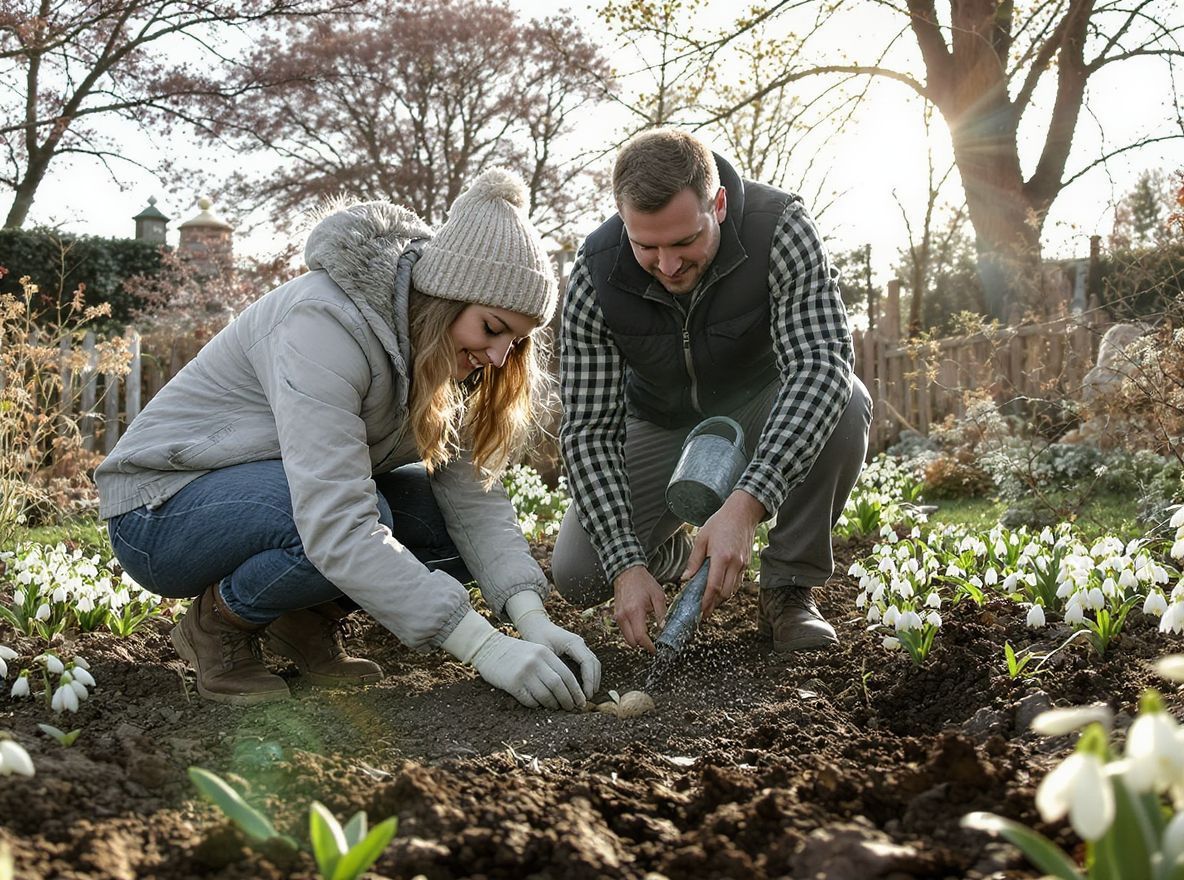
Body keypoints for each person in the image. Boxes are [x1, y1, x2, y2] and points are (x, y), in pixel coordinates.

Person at [96, 169, 601, 709]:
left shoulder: (455, 361)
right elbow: (337, 519)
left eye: (516, 342)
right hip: (163, 510)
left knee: (444, 530)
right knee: (365, 518)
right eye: (492, 328)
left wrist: (532, 620)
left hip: (273, 494)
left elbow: (474, 498)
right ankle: (217, 623)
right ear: (445, 299)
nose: (499, 356)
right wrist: (484, 647)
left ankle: (300, 618)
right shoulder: (325, 322)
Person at [553, 128, 872, 654]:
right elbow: (588, 429)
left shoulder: (780, 227)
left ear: (717, 204)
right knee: (579, 573)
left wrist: (748, 505)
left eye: (683, 242)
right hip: (659, 420)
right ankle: (683, 556)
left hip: (762, 405)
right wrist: (626, 563)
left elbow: (821, 364)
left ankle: (788, 588)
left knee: (845, 399)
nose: (668, 264)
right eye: (645, 246)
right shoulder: (597, 270)